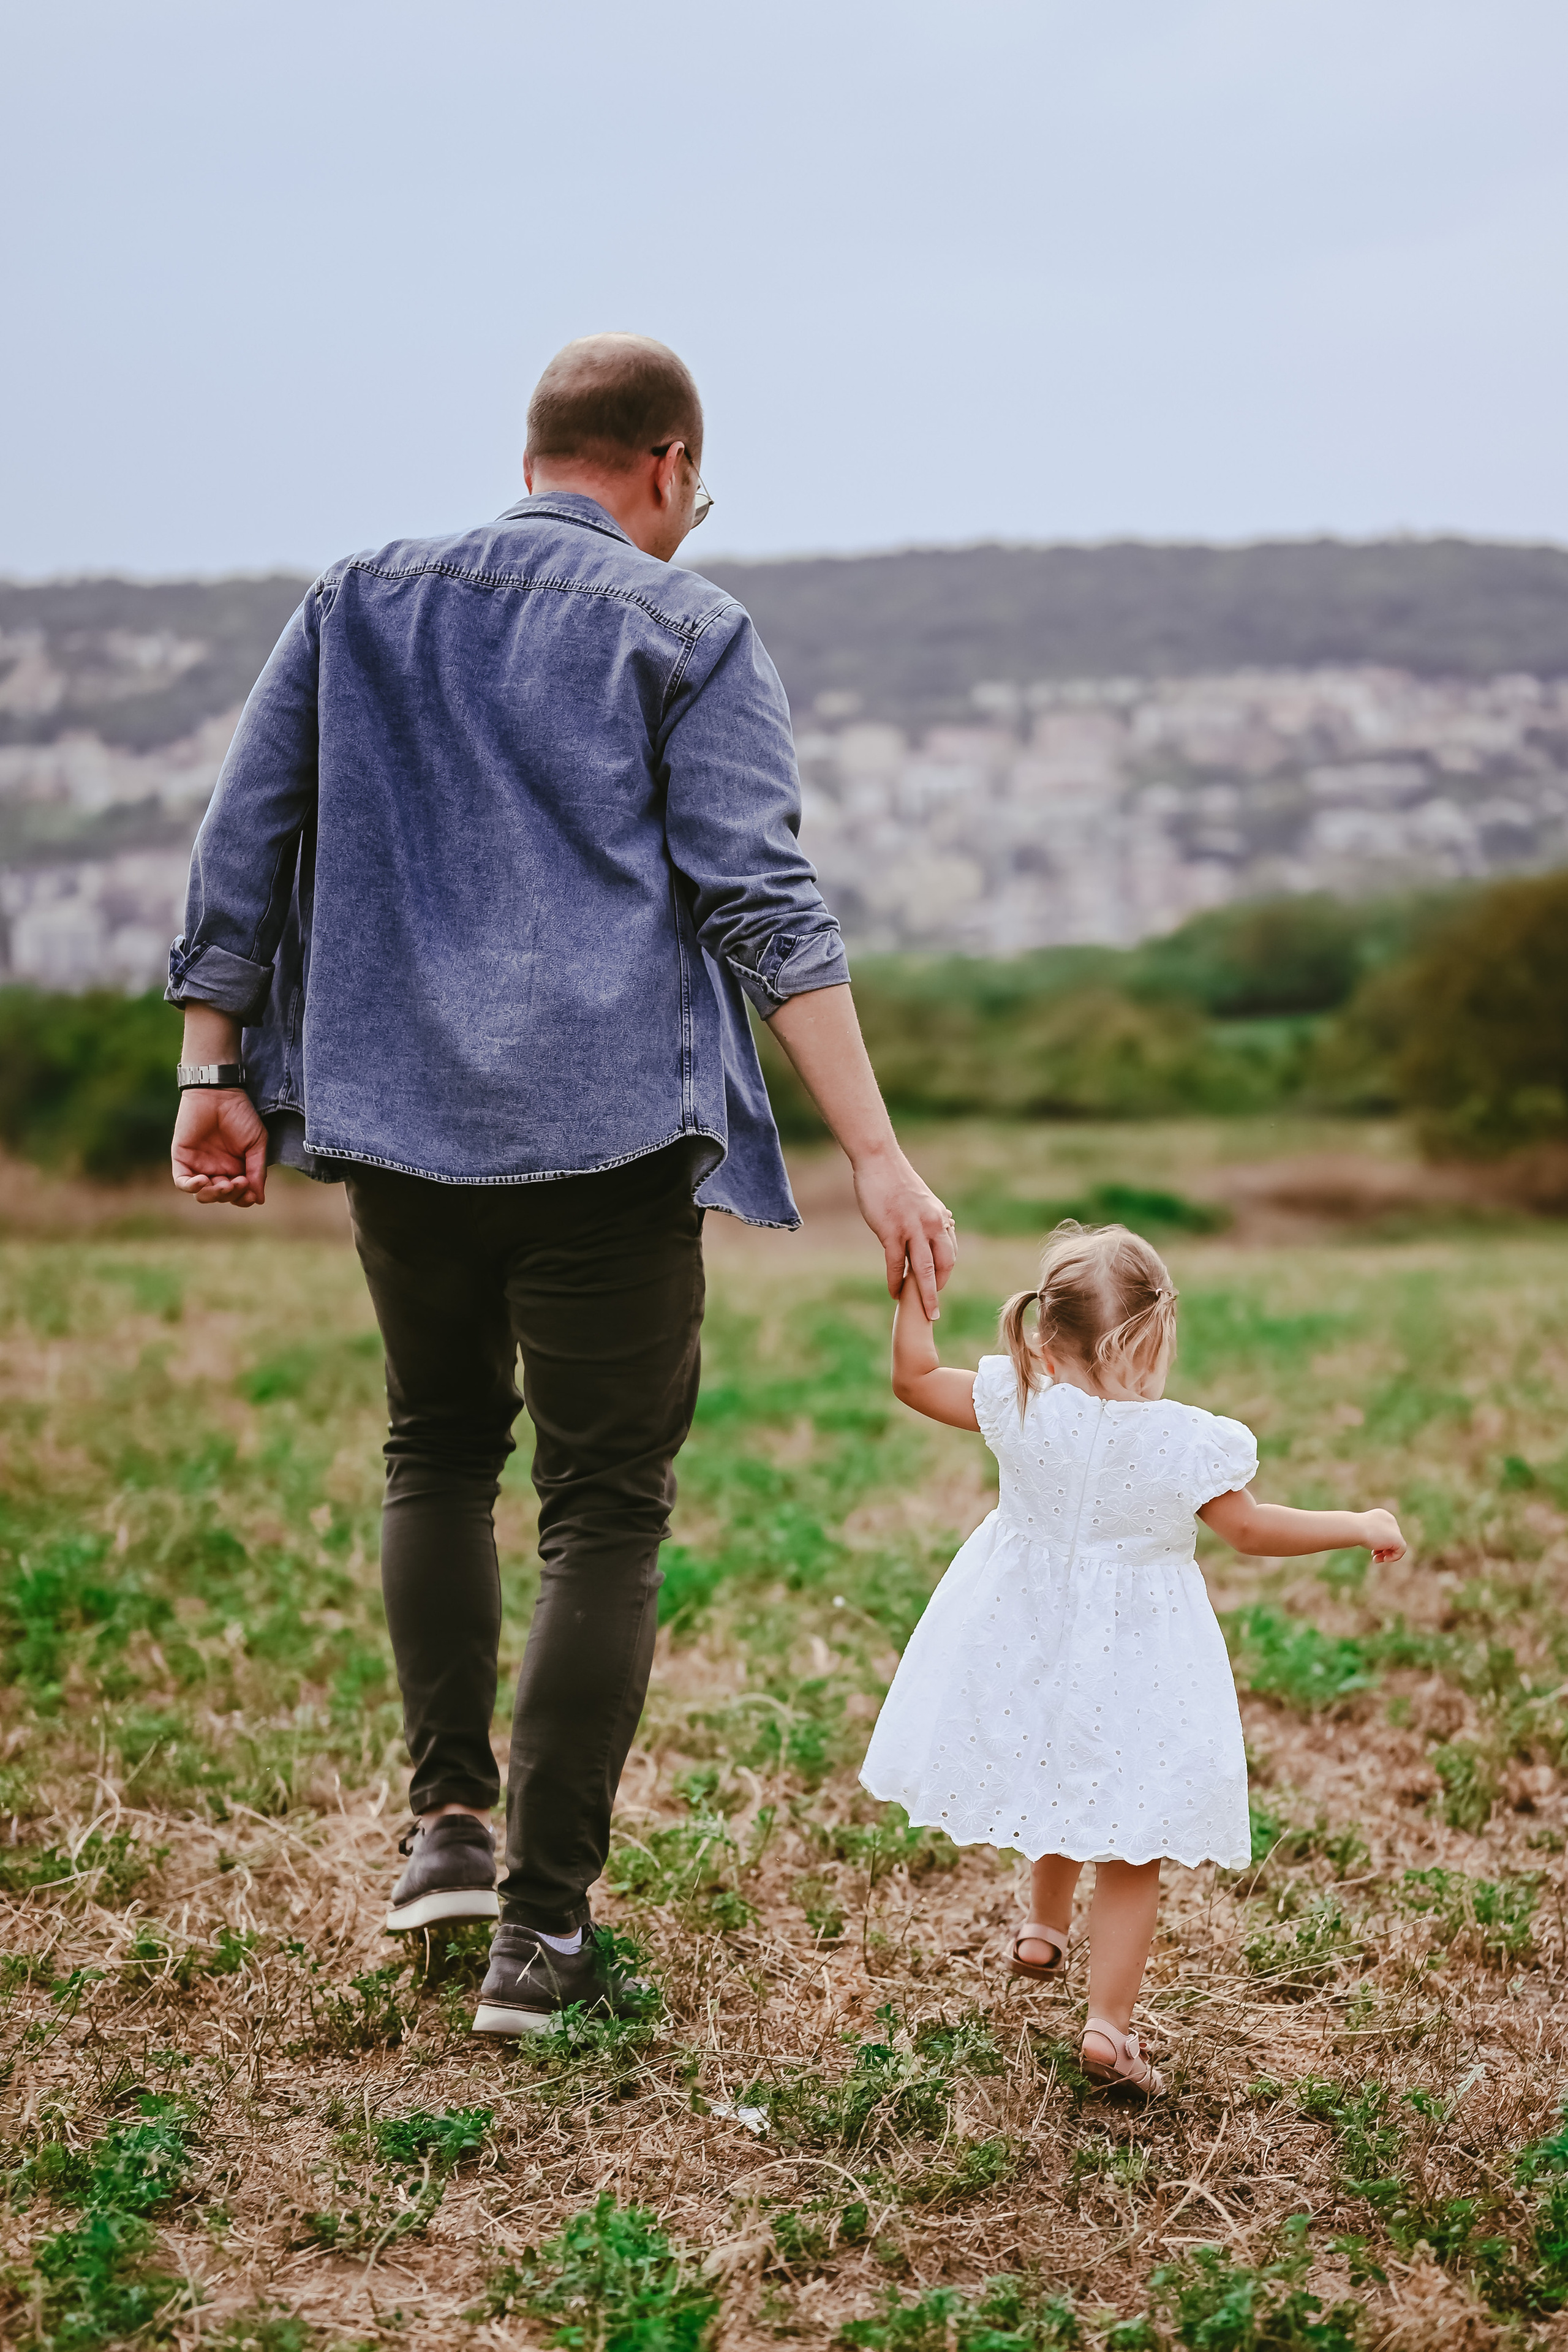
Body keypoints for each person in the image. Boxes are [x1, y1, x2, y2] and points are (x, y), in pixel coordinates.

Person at [167, 331, 955, 2037]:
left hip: (397, 1119)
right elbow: (766, 904)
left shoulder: (356, 598)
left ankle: (444, 1828)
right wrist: (876, 1159)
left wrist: (210, 1070)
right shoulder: (692, 628)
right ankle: (543, 1934)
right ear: (666, 467)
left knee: (435, 1450)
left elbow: (249, 837)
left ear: (535, 452)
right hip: (608, 1140)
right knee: (604, 1509)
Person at [861, 1219, 1404, 2098]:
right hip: (1141, 1653)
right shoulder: (1186, 1441)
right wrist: (1360, 1524)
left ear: (1047, 1331)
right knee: (1131, 1837)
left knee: (1053, 1765)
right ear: (1148, 1339)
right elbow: (1253, 1531)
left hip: (1025, 1630)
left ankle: (1043, 1929)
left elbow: (913, 1377)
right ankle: (1108, 2027)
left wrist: (914, 1299)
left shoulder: (1021, 1398)